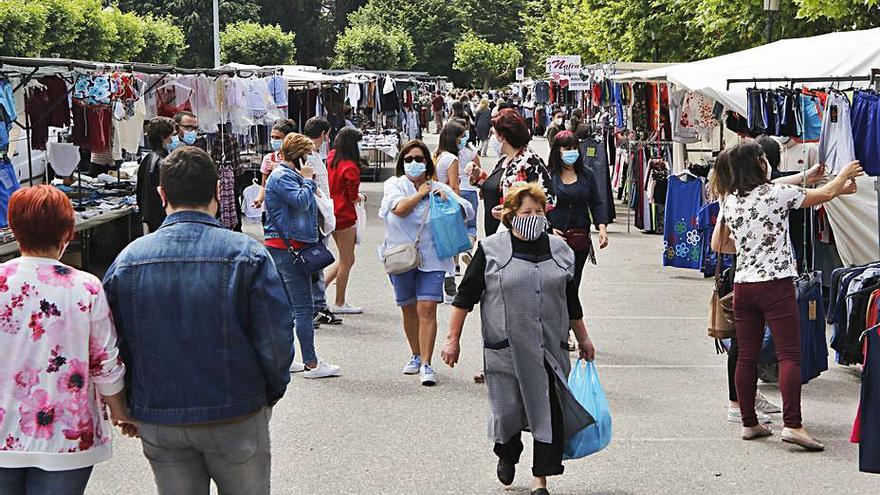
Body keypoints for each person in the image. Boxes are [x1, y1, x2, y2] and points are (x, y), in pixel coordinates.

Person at [104, 147, 294, 494]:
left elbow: (113, 342)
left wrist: (132, 399)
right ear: (216, 195)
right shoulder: (247, 255)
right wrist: (269, 392)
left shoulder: (128, 260)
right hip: (235, 411)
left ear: (162, 195)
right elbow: (276, 338)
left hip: (161, 414)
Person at [441, 184, 596, 495]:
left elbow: (571, 300)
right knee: (508, 415)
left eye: (539, 212)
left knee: (548, 412)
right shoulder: (491, 250)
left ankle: (540, 481)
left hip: (549, 349)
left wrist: (584, 339)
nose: (535, 218)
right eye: (527, 213)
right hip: (506, 350)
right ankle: (507, 454)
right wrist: (451, 340)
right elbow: (464, 298)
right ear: (511, 216)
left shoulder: (560, 250)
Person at [710, 142, 863, 451]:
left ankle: (749, 422)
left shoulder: (730, 200)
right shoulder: (777, 196)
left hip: (744, 286)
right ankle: (793, 424)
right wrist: (843, 173)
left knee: (747, 356)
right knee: (789, 355)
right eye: (764, 158)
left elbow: (721, 242)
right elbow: (825, 194)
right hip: (776, 284)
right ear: (757, 164)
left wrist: (811, 177)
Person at [0, 186, 134, 495]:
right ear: (68, 232)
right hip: (66, 437)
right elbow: (104, 361)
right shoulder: (84, 287)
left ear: (14, 228)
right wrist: (120, 410)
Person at [380, 140, 474, 386]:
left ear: (427, 162)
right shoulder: (394, 185)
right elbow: (398, 209)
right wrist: (421, 194)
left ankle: (426, 363)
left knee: (427, 307)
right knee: (408, 307)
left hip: (433, 258)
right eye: (409, 159)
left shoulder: (439, 186)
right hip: (401, 256)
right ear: (402, 162)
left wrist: (447, 199)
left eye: (419, 159)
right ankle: (415, 354)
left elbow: (468, 210)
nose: (414, 163)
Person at [264, 134, 342, 379]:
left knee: (288, 308)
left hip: (287, 245)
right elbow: (301, 202)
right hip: (290, 248)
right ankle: (311, 363)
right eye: (306, 155)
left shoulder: (285, 175)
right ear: (298, 156)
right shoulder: (283, 177)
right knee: (303, 308)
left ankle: (287, 359)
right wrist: (308, 181)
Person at [546, 131, 610, 325]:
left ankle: (567, 327)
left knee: (573, 285)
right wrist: (549, 229)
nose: (571, 152)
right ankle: (557, 325)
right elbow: (539, 206)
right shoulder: (549, 176)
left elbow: (596, 203)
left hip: (579, 240)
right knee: (556, 285)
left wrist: (602, 228)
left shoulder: (587, 175)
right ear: (557, 150)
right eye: (567, 148)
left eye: (574, 148)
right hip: (555, 241)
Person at [469, 108, 556, 236]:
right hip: (496, 235)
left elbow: (549, 199)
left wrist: (511, 214)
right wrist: (478, 177)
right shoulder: (504, 160)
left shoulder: (529, 161)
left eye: (493, 134)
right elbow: (497, 186)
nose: (492, 138)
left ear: (503, 137)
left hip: (519, 238)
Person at [303, 116, 343, 327]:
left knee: (319, 262)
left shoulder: (315, 155)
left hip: (323, 215)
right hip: (315, 217)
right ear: (324, 134)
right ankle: (316, 306)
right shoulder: (307, 157)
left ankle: (319, 305)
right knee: (316, 262)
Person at [325, 127, 364, 314]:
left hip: (331, 212)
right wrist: (360, 197)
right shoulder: (350, 167)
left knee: (345, 259)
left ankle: (320, 291)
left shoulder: (332, 157)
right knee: (347, 260)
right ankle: (339, 302)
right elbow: (352, 196)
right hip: (345, 215)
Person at [137, 116, 175, 232]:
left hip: (151, 217)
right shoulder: (163, 162)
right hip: (162, 218)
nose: (173, 140)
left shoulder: (147, 159)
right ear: (163, 137)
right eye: (171, 136)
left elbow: (139, 191)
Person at [252, 119, 298, 211]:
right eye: (272, 137)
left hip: (291, 207)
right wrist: (259, 199)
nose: (273, 140)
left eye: (277, 138)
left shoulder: (297, 158)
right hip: (272, 209)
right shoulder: (269, 158)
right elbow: (264, 185)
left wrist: (278, 168)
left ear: (287, 139)